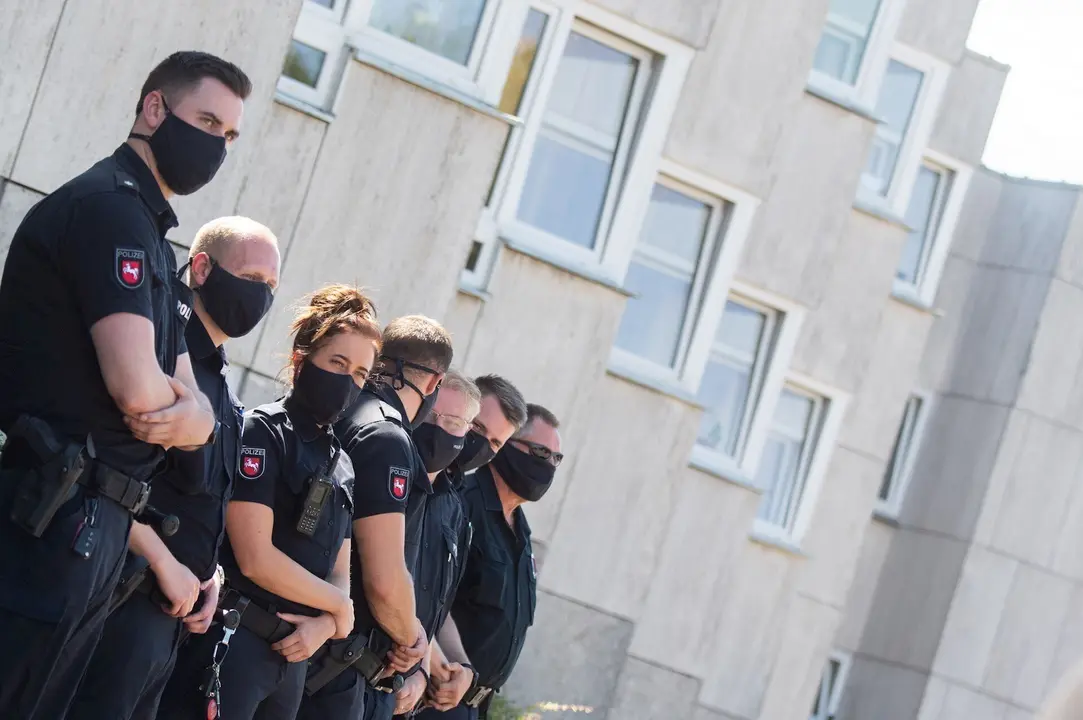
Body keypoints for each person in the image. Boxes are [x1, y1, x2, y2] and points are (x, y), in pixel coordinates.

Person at [0, 50, 250, 719]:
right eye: (205, 120)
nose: (215, 146)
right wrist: (187, 414)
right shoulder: (109, 210)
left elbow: (189, 400)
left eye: (228, 135)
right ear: (153, 108)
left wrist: (192, 414)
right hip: (53, 515)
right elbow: (141, 392)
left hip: (97, 528)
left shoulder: (145, 228)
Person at [67, 216, 280, 720]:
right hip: (120, 593)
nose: (261, 297)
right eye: (252, 279)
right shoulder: (158, 350)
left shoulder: (221, 386)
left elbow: (200, 498)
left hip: (171, 618)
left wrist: (210, 573)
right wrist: (164, 562)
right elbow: (106, 468)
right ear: (201, 268)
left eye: (271, 287)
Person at [158, 284, 380, 720]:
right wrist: (340, 609)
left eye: (359, 374)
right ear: (302, 359)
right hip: (234, 643)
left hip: (293, 660)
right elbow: (255, 557)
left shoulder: (343, 463)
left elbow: (339, 569)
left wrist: (326, 624)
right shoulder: (264, 431)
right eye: (337, 362)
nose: (347, 380)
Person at [299, 315, 454, 720]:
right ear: (435, 383)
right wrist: (413, 637)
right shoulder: (387, 437)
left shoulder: (340, 411)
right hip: (338, 670)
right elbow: (384, 580)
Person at [420, 401, 562, 720]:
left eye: (556, 457)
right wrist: (447, 667)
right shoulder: (461, 504)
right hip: (432, 695)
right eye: (540, 453)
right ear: (506, 447)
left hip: (474, 706)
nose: (549, 465)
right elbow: (427, 596)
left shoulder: (522, 533)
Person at [387, 370, 482, 718]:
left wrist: (445, 667)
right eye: (431, 416)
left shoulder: (452, 507)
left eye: (454, 422)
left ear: (467, 432)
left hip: (407, 690)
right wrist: (425, 662)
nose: (440, 428)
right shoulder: (388, 478)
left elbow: (436, 604)